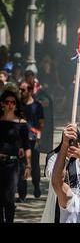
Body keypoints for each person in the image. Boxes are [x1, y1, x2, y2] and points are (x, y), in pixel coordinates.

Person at [0, 90, 30, 222]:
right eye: (7, 102)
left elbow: (27, 145)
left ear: (16, 104)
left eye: (13, 102)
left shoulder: (21, 123)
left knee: (9, 198)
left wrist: (28, 165)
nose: (10, 105)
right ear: (2, 104)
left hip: (12, 164)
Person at [17, 80, 44, 200]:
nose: (21, 92)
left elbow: (41, 122)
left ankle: (36, 185)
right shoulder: (17, 105)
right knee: (22, 166)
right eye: (20, 89)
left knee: (34, 165)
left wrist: (39, 136)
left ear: (29, 91)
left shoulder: (37, 105)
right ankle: (22, 194)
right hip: (21, 140)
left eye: (23, 90)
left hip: (33, 139)